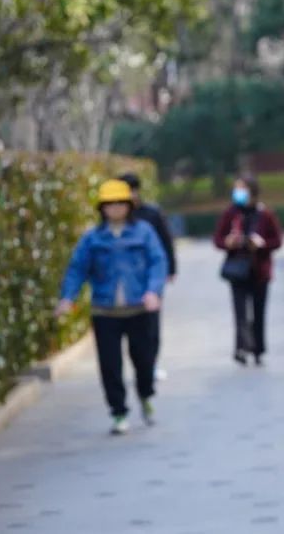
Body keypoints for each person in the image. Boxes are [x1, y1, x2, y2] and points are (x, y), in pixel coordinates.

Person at [56, 179, 167, 435]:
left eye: (120, 203)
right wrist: (67, 298)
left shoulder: (144, 232)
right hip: (105, 311)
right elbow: (77, 269)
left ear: (129, 205)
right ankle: (118, 412)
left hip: (139, 308)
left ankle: (145, 394)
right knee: (110, 364)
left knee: (144, 358)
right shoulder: (93, 238)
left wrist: (153, 291)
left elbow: (157, 262)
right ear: (102, 208)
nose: (115, 208)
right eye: (110, 204)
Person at [212, 176, 283, 366]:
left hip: (259, 270)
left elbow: (277, 240)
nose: (238, 192)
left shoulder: (265, 213)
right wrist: (228, 242)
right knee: (240, 313)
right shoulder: (231, 213)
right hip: (237, 270)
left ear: (252, 190)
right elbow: (218, 239)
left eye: (242, 188)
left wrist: (261, 244)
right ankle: (241, 348)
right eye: (236, 189)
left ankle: (258, 349)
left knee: (259, 312)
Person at [118, 171, 175, 381]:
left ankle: (151, 364)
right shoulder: (114, 219)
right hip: (127, 282)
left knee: (152, 323)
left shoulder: (152, 214)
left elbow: (166, 243)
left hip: (152, 278)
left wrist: (170, 270)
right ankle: (139, 365)